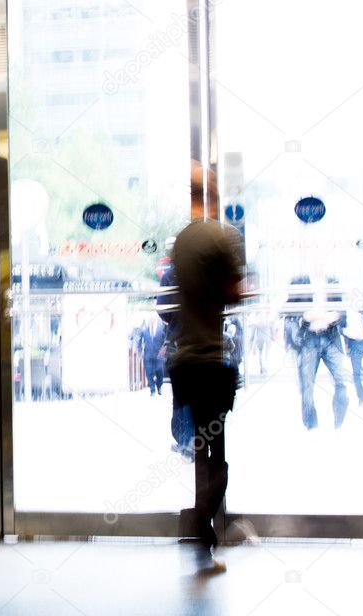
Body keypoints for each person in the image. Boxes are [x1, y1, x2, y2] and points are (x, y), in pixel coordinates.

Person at [168, 164, 244, 574]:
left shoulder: (182, 240)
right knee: (218, 453)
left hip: (184, 361)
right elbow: (236, 292)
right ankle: (203, 520)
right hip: (211, 359)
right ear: (213, 195)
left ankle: (203, 534)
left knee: (201, 447)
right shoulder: (221, 237)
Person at [284, 273, 350, 429]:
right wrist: (305, 318)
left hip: (330, 337)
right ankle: (311, 426)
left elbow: (343, 313)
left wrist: (337, 316)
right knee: (307, 385)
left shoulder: (334, 281)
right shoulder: (299, 281)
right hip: (308, 339)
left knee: (342, 380)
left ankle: (338, 422)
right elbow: (288, 311)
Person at [157, 241, 192, 460]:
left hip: (181, 341)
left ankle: (186, 440)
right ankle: (192, 439)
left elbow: (163, 310)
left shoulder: (170, 275)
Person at [342, 310, 363, 406]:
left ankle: (361, 397)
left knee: (356, 374)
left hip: (355, 344)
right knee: (357, 373)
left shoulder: (346, 314)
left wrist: (347, 346)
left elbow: (343, 331)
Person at [138, 312, 167, 396]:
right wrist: (140, 352)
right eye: (150, 319)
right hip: (148, 355)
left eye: (153, 318)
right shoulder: (144, 329)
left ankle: (159, 386)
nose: (151, 320)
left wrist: (164, 349)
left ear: (156, 319)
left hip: (159, 355)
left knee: (160, 371)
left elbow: (165, 340)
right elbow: (139, 341)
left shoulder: (161, 328)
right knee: (149, 372)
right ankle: (152, 390)